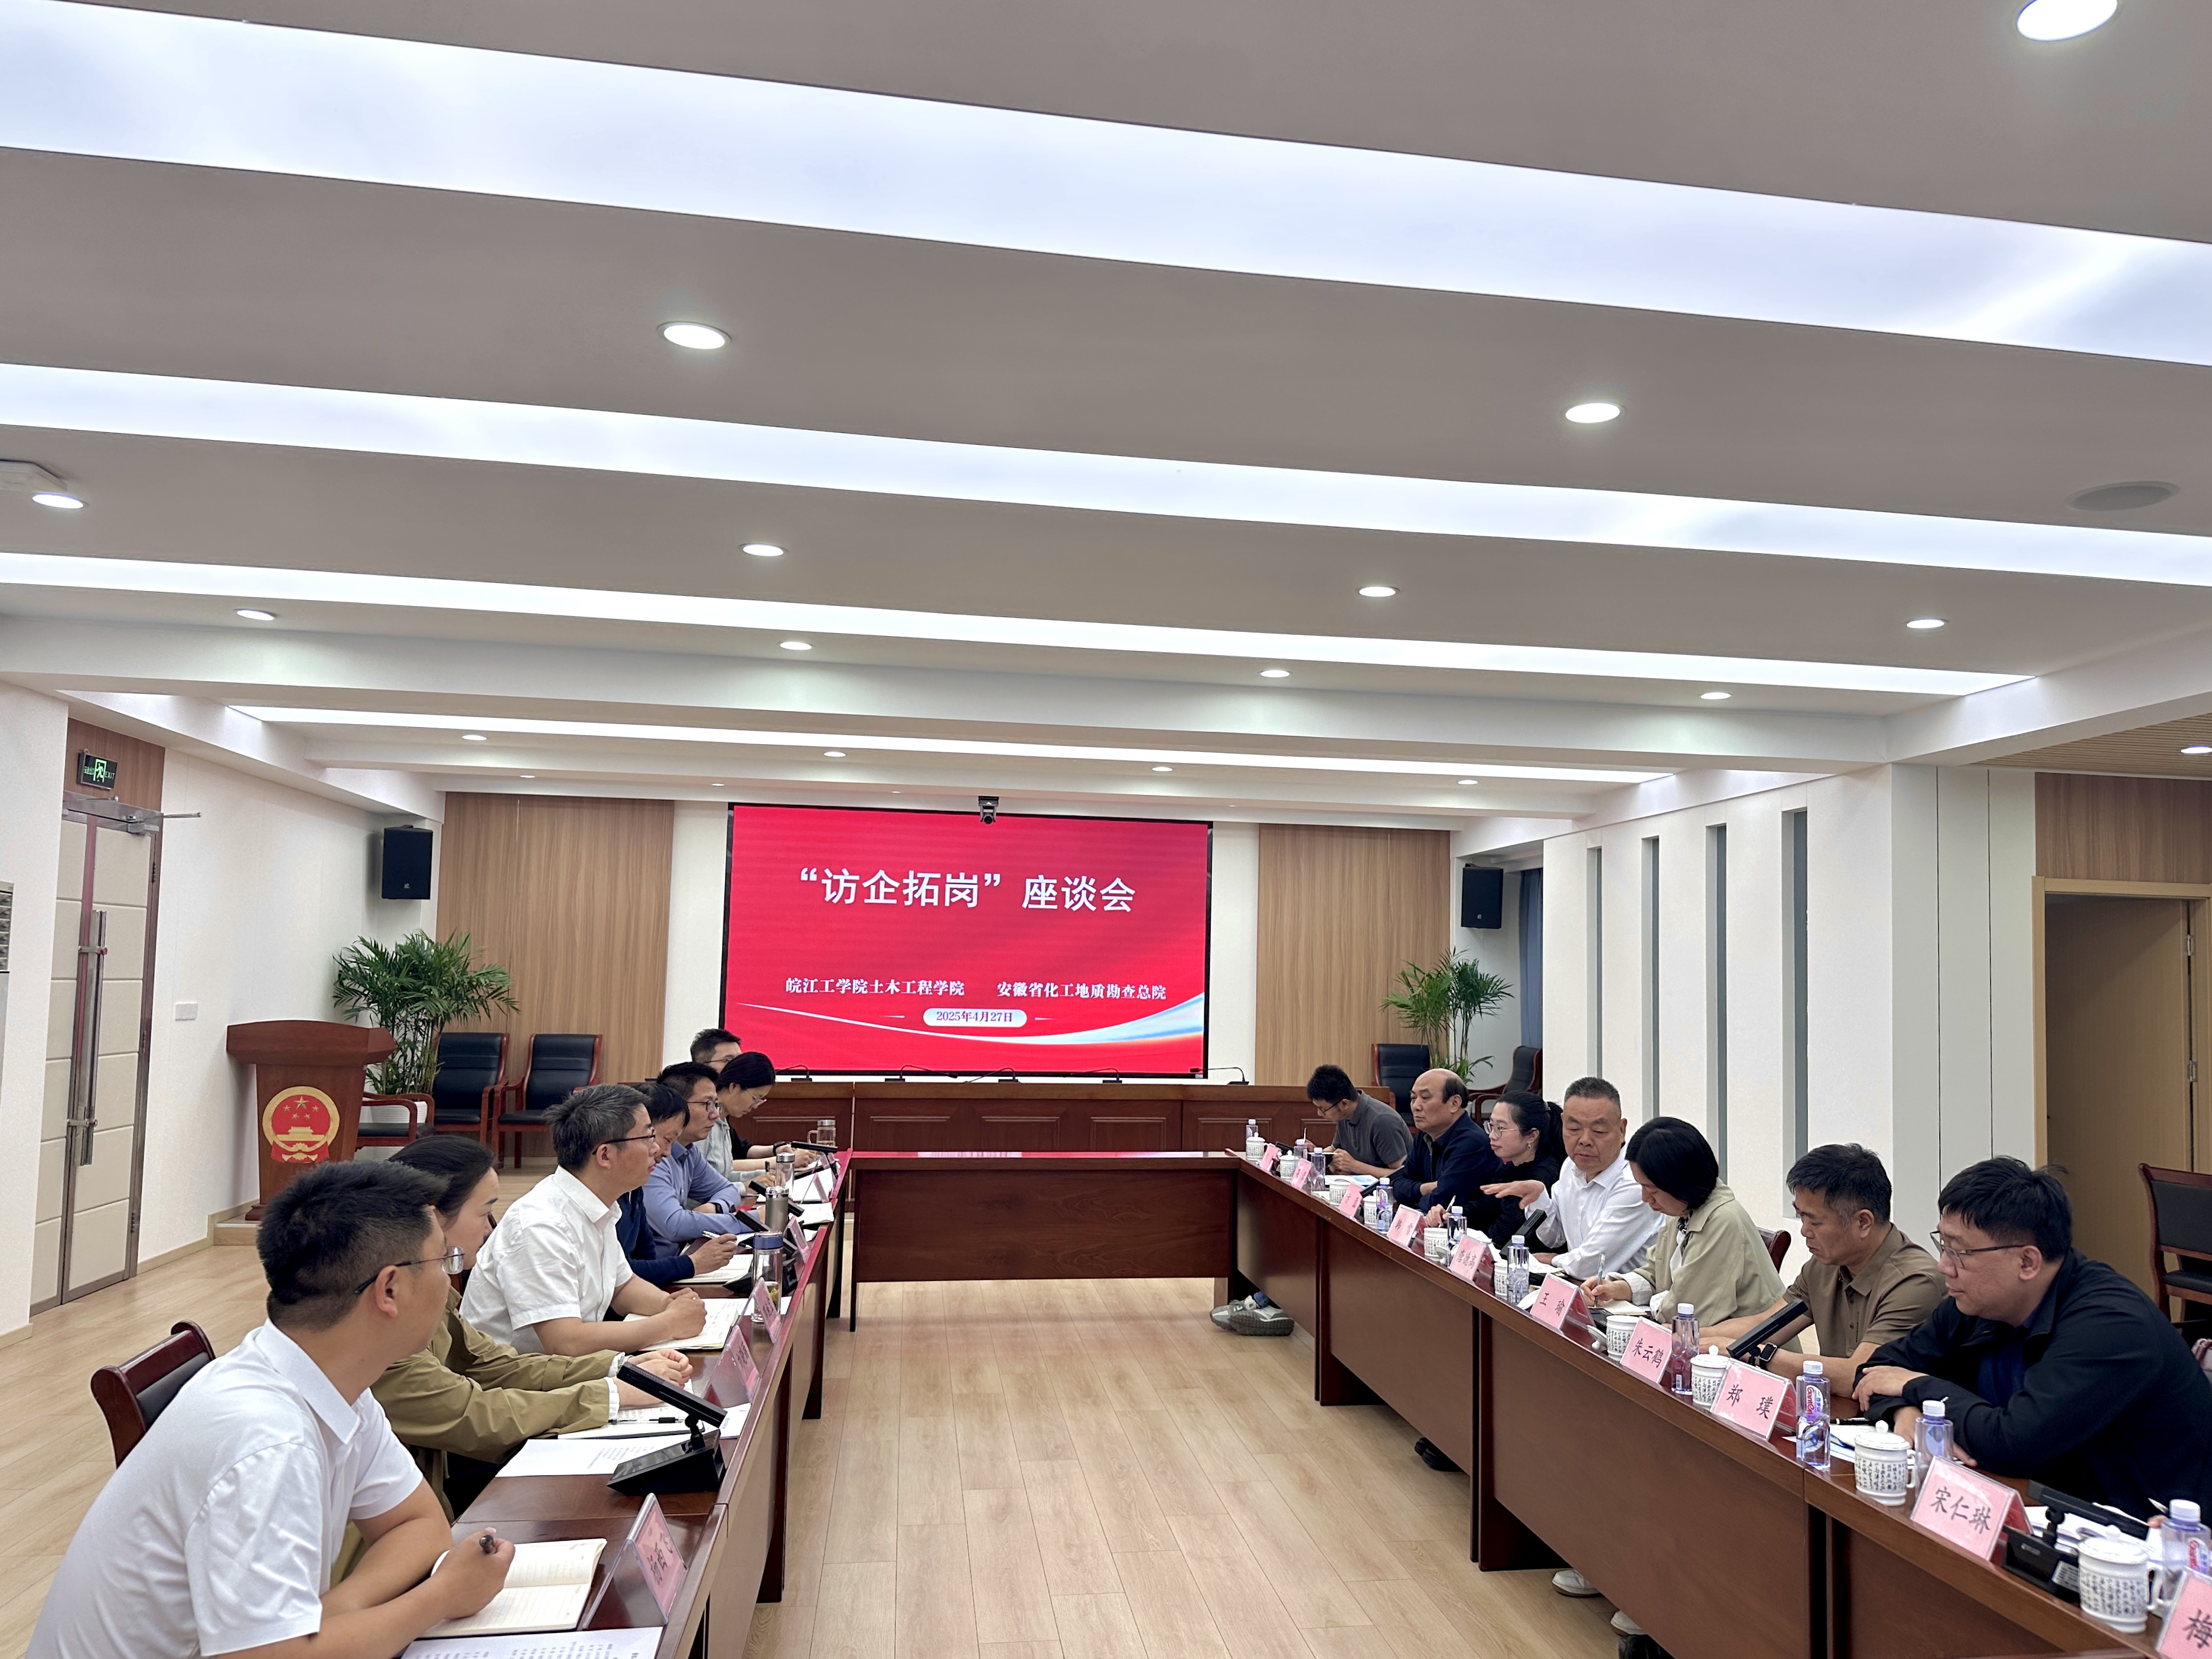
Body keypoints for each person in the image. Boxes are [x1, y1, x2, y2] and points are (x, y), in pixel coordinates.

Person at [30, 1162, 514, 1659]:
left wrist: (329, 1617)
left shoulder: (326, 1377)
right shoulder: (267, 1439)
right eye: (443, 1259)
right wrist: (439, 1597)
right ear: (389, 1288)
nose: (450, 1277)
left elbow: (417, 1524)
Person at [1854, 1157, 2212, 1518]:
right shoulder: (1975, 1304)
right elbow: (1878, 1369)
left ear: (2027, 1262)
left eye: (1959, 1251)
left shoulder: (2111, 1325)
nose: (1943, 1265)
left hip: (2151, 1532)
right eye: (1942, 1245)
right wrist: (1906, 1411)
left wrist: (1919, 1386)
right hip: (2040, 1503)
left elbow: (2015, 1443)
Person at [374, 1136, 696, 1513]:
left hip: (469, 1449)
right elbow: (472, 1413)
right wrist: (612, 1393)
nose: (490, 1229)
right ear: (433, 1216)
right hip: (466, 1454)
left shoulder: (602, 1211)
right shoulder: (385, 1322)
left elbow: (494, 1364)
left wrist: (619, 1369)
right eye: (485, 1212)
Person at [461, 1084, 712, 1356]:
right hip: (512, 1376)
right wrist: (669, 1323)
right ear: (605, 1155)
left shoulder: (600, 1203)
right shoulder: (542, 1225)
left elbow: (623, 1287)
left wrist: (669, 1304)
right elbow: (565, 1342)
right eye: (647, 1137)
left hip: (562, 1370)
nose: (657, 1150)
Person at [1703, 1143, 1944, 1380]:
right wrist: (1693, 1337)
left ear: (1863, 1222)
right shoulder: (1825, 1265)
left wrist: (1757, 1354)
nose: (1804, 1231)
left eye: (1815, 1221)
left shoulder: (1915, 1283)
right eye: (1801, 1216)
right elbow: (1766, 1325)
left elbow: (1859, 1373)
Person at [1583, 1116, 1784, 1325]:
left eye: (1652, 1189)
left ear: (1680, 1181)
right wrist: (1616, 1288)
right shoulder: (1682, 1209)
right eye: (1641, 1187)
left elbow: (1686, 1312)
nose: (1645, 1198)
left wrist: (1660, 1298)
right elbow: (1658, 1275)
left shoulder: (1723, 1221)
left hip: (1749, 1343)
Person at [1483, 1075, 1662, 1282]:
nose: (1585, 1140)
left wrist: (1554, 1260)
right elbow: (1554, 1237)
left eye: (1598, 1131)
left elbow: (1590, 1265)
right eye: (1574, 1129)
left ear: (1621, 1130)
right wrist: (1539, 1197)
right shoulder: (1571, 1166)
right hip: (1580, 1288)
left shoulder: (1634, 1183)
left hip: (1625, 1298)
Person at [620, 1083, 750, 1288]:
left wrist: (715, 1208)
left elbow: (640, 1265)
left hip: (662, 1275)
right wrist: (693, 1264)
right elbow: (621, 1275)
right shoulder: (633, 1179)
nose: (665, 1152)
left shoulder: (634, 1188)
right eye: (707, 1104)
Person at [644, 1062, 762, 1248]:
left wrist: (714, 1207)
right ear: (678, 1106)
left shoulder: (688, 1150)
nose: (715, 1114)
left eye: (715, 1105)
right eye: (707, 1104)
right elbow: (676, 1225)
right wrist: (750, 1221)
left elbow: (728, 1189)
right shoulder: (654, 1156)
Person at [1440, 1090, 1562, 1245]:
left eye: (1501, 1128)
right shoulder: (1510, 1168)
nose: (1492, 1135)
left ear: (1531, 1135)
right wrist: (1450, 1217)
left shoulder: (1544, 1176)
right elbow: (1483, 1209)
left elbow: (1501, 1237)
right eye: (1491, 1126)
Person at [1387, 1068, 1504, 1220]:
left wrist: (1414, 1197)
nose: (1416, 1106)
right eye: (1413, 1098)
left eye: (1425, 1098)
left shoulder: (1472, 1144)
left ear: (1454, 1103)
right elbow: (1396, 1185)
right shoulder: (1425, 1134)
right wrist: (1425, 1188)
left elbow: (1441, 1203)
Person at [715, 1051, 822, 1175]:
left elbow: (741, 1152)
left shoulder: (723, 1119)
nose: (755, 1106)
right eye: (755, 1098)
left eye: (760, 1100)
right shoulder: (708, 1119)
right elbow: (720, 1170)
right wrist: (784, 1161)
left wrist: (777, 1150)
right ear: (734, 1086)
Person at [1309, 1063, 1412, 1177]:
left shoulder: (1382, 1121)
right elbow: (1334, 1148)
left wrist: (1355, 1167)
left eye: (1323, 1109)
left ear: (1344, 1104)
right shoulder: (1344, 1115)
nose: (1319, 1113)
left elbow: (1403, 1174)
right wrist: (1317, 1155)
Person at [689, 1029, 744, 1178]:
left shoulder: (720, 1110)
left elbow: (724, 1175)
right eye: (728, 1060)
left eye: (740, 1060)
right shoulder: (696, 1113)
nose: (738, 1067)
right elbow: (697, 1184)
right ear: (702, 1066)